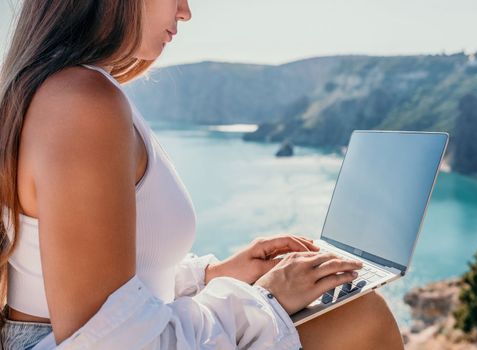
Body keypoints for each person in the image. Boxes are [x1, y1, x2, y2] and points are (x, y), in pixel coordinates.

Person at [0, 0, 404, 349]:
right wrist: (266, 300)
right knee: (360, 320)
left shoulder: (65, 91)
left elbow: (108, 283)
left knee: (351, 313)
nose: (186, 11)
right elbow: (108, 340)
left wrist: (214, 275)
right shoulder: (80, 103)